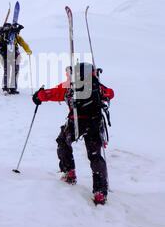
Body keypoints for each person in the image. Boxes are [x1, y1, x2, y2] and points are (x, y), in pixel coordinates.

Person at [32, 63, 114, 205]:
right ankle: (100, 191)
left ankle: (69, 172)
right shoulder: (97, 86)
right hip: (95, 123)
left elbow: (52, 94)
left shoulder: (70, 86)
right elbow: (110, 93)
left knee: (63, 140)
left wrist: (39, 95)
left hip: (76, 122)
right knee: (95, 155)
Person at [0, 22, 32, 94]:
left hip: (6, 55)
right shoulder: (13, 36)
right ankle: (11, 88)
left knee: (8, 71)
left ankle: (7, 88)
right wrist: (28, 51)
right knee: (14, 71)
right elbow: (23, 43)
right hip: (13, 55)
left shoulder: (4, 36)